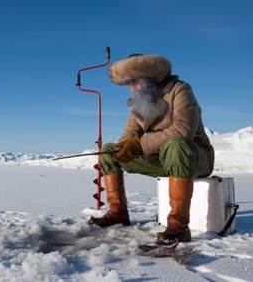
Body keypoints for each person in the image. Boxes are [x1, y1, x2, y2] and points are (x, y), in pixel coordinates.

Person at [88, 54, 215, 245]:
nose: (131, 88)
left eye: (134, 82)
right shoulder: (139, 103)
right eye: (128, 83)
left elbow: (183, 130)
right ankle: (118, 213)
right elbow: (128, 138)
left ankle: (178, 227)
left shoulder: (180, 90)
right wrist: (122, 149)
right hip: (162, 160)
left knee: (176, 145)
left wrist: (140, 145)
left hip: (193, 158)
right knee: (109, 151)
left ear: (149, 78)